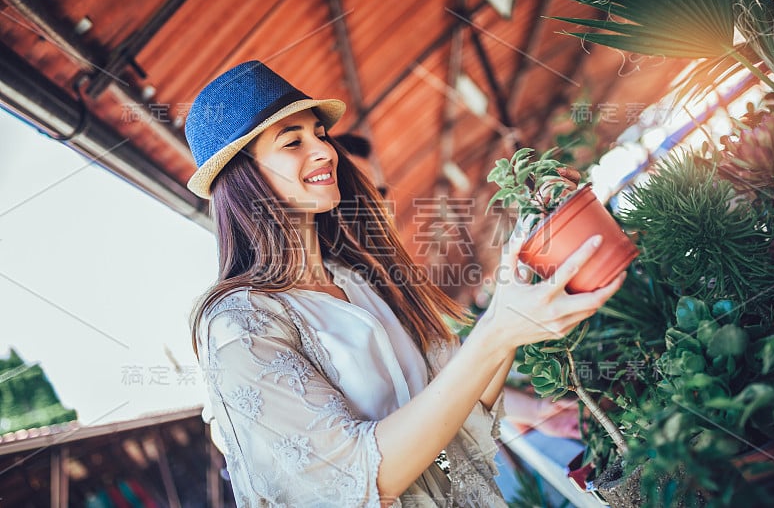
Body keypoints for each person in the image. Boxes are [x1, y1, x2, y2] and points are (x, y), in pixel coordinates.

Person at [184, 61, 624, 507]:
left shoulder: (358, 284)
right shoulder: (240, 325)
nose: (324, 152)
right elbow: (360, 478)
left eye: (319, 134)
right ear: (243, 179)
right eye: (292, 142)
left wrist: (520, 270)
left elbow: (463, 410)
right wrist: (497, 332)